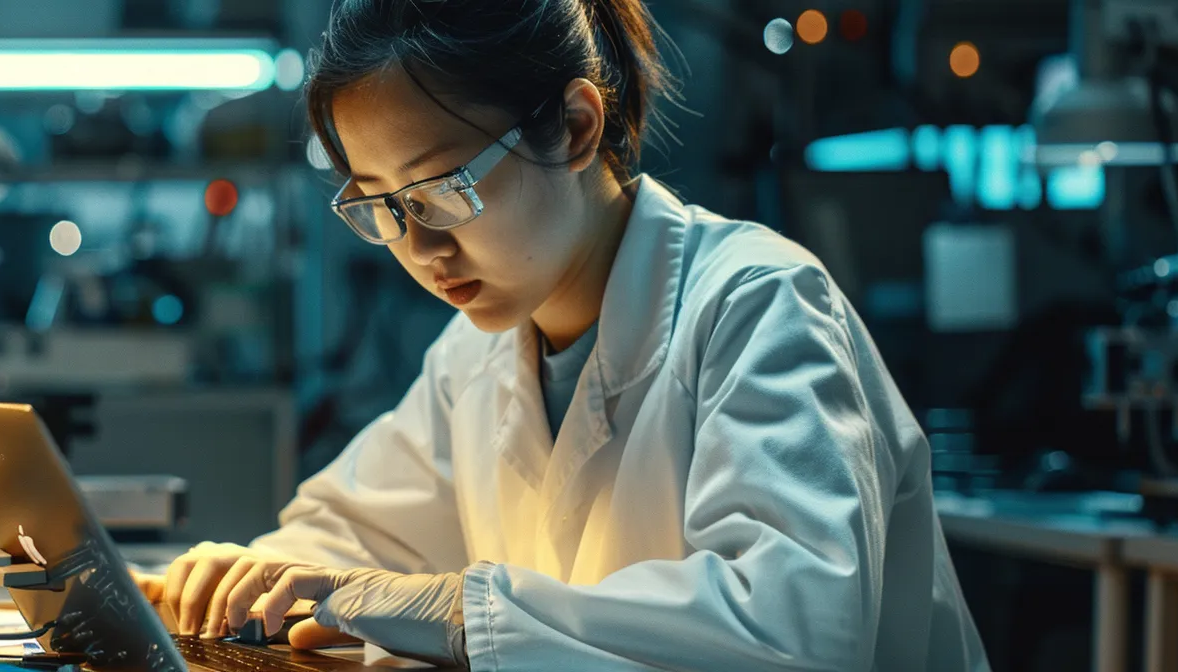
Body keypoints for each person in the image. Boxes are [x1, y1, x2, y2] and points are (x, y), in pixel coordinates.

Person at [136, 0, 990, 669]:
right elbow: (355, 537)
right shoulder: (476, 352)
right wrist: (252, 579)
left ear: (576, 128)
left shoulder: (758, 306)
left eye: (440, 189)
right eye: (382, 207)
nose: (422, 248)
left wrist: (444, 610)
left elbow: (796, 629)